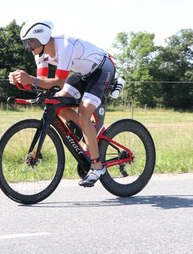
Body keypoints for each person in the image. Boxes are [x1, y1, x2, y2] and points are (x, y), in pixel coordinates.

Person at [9, 20, 116, 187]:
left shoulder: (64, 46)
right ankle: (85, 129)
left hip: (102, 70)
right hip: (81, 74)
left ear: (42, 38)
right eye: (26, 42)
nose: (28, 46)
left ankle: (97, 166)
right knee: (57, 103)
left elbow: (58, 82)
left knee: (83, 113)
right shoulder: (40, 53)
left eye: (31, 41)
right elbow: (43, 81)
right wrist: (23, 82)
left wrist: (31, 79)